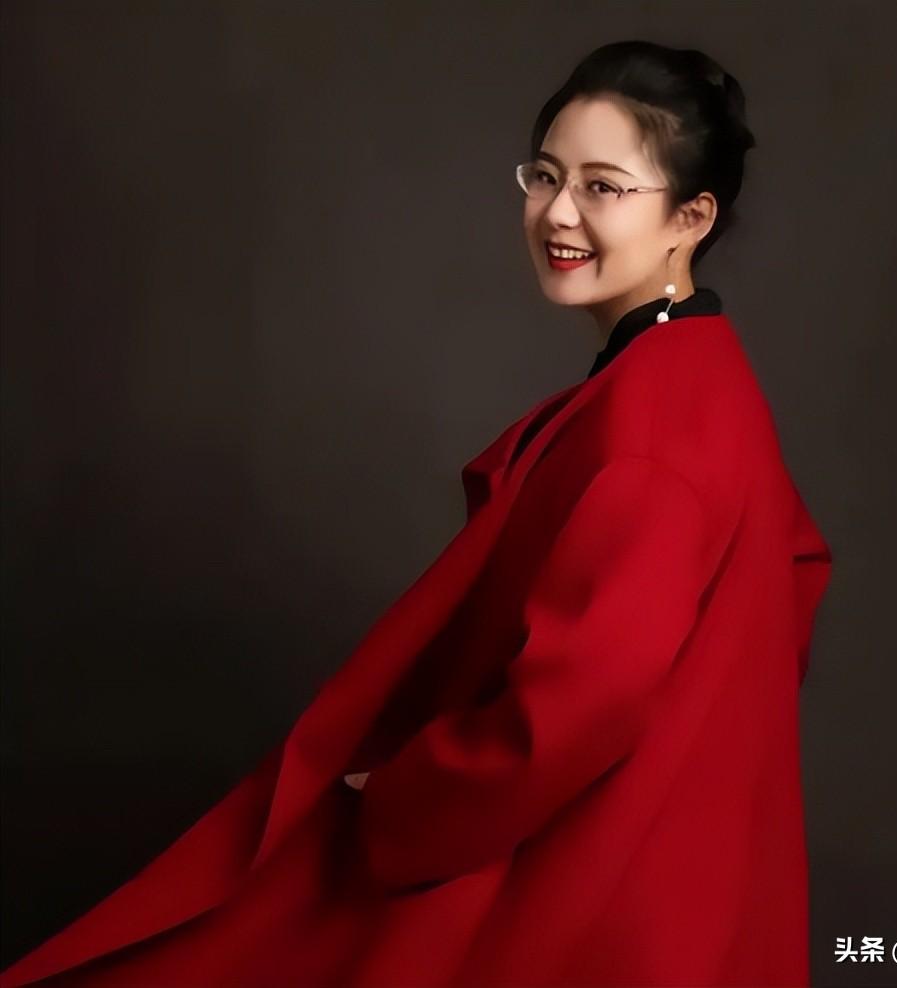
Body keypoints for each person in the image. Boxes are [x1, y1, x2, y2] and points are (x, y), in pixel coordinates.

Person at [1, 39, 833, 988]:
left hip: (595, 905)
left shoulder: (650, 426)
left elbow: (586, 698)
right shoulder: (706, 379)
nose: (558, 213)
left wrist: (409, 794)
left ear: (691, 217)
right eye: (545, 176)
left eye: (603, 187)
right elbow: (796, 571)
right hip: (681, 883)